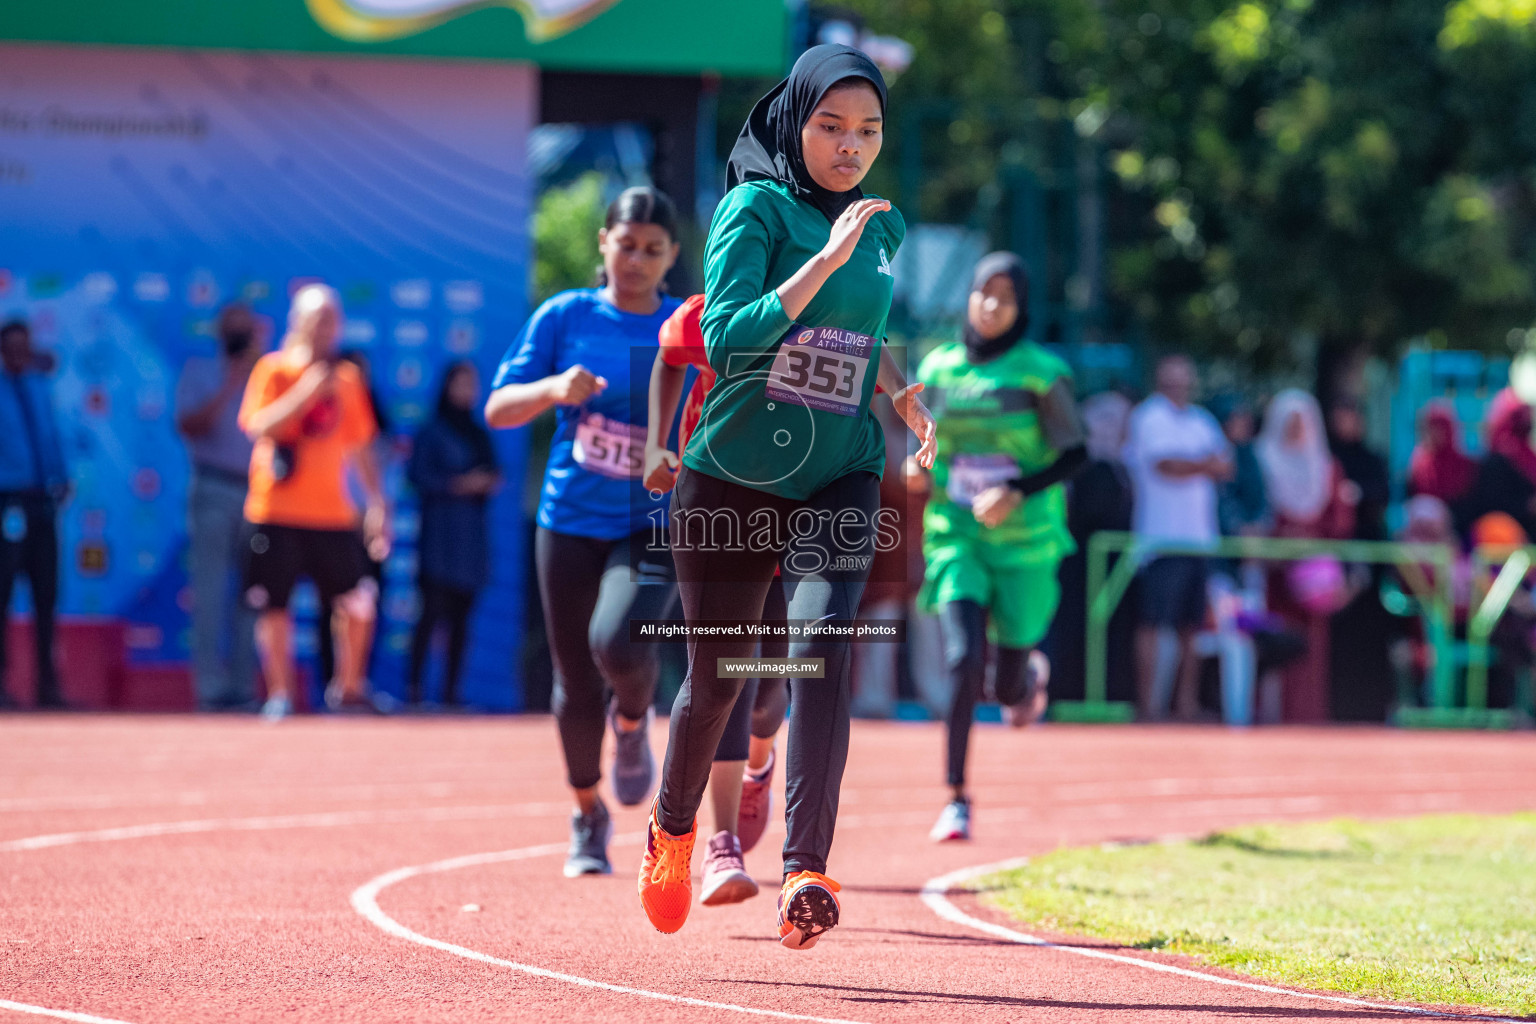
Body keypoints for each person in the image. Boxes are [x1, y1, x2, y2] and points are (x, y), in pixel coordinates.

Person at [637, 45, 936, 949]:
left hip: (839, 468)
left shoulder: (882, 224)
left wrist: (901, 392)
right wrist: (819, 262)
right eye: (832, 127)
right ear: (792, 122)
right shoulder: (752, 208)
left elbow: (863, 333)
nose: (852, 147)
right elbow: (724, 338)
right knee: (718, 682)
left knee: (822, 649)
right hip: (734, 472)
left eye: (869, 131)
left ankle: (805, 868)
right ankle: (674, 827)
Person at [484, 186, 682, 879]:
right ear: (604, 243)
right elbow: (498, 407)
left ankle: (631, 723)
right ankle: (586, 813)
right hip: (569, 519)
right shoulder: (565, 315)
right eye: (625, 244)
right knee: (572, 677)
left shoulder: (682, 329)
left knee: (618, 643)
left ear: (672, 257)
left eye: (652, 250)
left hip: (653, 522)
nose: (636, 259)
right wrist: (551, 390)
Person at [904, 252, 1085, 843]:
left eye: (1005, 298)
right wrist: (918, 466)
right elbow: (925, 438)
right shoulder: (938, 366)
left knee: (1005, 687)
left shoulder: (1041, 372)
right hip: (957, 534)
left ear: (1022, 307)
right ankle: (957, 796)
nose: (990, 306)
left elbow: (1077, 455)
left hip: (1027, 544)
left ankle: (1026, 676)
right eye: (983, 293)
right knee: (962, 660)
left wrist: (1016, 490)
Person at [643, 292, 791, 906]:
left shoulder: (827, 306)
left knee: (768, 689)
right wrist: (657, 442)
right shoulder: (710, 306)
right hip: (717, 510)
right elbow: (670, 356)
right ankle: (719, 842)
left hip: (794, 506)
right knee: (723, 676)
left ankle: (761, 761)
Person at [238, 284, 389, 722]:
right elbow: (258, 427)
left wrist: (377, 503)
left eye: (332, 318)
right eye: (316, 317)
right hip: (275, 511)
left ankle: (349, 688)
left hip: (332, 514)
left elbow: (362, 448)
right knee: (275, 606)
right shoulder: (273, 369)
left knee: (358, 601)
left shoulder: (347, 380)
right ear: (297, 321)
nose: (325, 327)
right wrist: (304, 392)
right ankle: (281, 694)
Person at [1124, 355, 1232, 721]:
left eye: (1183, 379)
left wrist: (1194, 464)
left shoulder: (1202, 420)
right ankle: (1149, 706)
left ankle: (1184, 705)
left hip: (1199, 540)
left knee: (1192, 628)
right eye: (1171, 379)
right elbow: (1164, 465)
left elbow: (1225, 466)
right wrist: (1204, 464)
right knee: (1153, 624)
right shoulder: (1148, 416)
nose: (1178, 386)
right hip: (1159, 540)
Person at [176, 304, 265, 711]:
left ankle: (242, 689)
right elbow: (190, 426)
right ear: (219, 334)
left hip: (259, 495)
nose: (240, 338)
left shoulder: (269, 375)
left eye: (246, 332)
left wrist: (257, 369)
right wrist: (231, 382)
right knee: (209, 594)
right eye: (233, 332)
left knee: (252, 597)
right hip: (213, 486)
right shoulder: (200, 371)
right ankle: (209, 690)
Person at [1255, 389, 1357, 723]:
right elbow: (1255, 511)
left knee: (1309, 649)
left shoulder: (1327, 468)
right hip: (1273, 576)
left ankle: (1305, 717)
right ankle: (1264, 715)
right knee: (1269, 642)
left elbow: (1339, 521)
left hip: (1313, 578)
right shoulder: (1261, 460)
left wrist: (1313, 545)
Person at [407, 361, 500, 710]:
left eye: (471, 384)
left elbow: (494, 474)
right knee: (429, 615)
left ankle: (450, 694)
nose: (466, 391)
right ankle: (414, 691)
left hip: (470, 541)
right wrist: (459, 484)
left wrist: (485, 483)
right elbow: (418, 477)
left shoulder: (478, 432)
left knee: (462, 621)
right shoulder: (432, 431)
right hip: (439, 538)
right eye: (459, 383)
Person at [1048, 391, 1135, 704]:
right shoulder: (1087, 464)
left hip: (1112, 570)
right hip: (1081, 569)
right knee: (1076, 631)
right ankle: (1069, 694)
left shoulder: (1117, 464)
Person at [0, 319, 68, 710]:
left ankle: (48, 687)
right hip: (7, 501)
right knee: (3, 593)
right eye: (11, 347)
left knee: (47, 594)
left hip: (43, 500)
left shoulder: (37, 386)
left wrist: (61, 475)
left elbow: (49, 435)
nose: (19, 355)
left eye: (24, 347)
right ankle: (2, 686)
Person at [1457, 389, 1536, 542]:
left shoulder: (1528, 456)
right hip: (1499, 539)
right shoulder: (1496, 462)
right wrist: (1527, 507)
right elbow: (1492, 504)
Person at [1328, 396, 1390, 542]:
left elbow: (1383, 492)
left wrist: (1358, 492)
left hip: (1365, 533)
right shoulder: (1326, 456)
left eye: (1350, 418)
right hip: (1332, 535)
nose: (1345, 424)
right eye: (1341, 419)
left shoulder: (1373, 459)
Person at [1408, 401, 1476, 507]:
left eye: (1438, 428)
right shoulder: (1419, 464)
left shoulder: (1464, 465)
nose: (1433, 434)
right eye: (1429, 428)